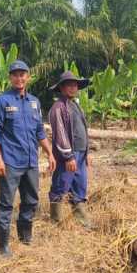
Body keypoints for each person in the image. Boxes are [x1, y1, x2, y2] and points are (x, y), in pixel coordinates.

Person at [0, 60, 56, 257]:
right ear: (10, 77)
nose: (19, 78)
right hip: (10, 162)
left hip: (30, 162)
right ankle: (4, 246)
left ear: (28, 77)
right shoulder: (2, 101)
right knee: (6, 203)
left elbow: (39, 132)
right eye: (15, 74)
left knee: (31, 200)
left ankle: (25, 239)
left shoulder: (34, 102)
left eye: (22, 74)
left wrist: (49, 153)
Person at [47, 71, 94, 229]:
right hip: (67, 155)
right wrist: (68, 157)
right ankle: (56, 221)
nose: (73, 88)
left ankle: (83, 221)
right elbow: (60, 135)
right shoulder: (58, 108)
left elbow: (83, 130)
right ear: (61, 88)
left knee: (80, 185)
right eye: (69, 85)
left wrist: (87, 153)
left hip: (81, 153)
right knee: (61, 184)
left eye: (75, 85)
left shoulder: (75, 105)